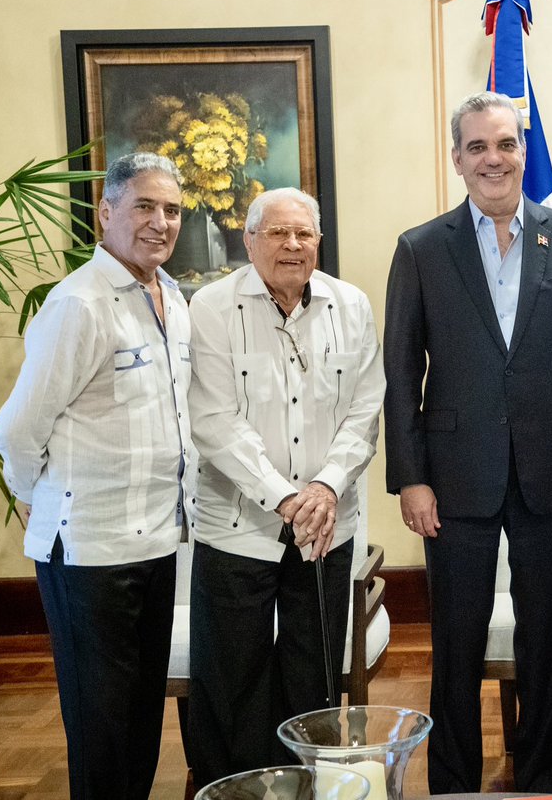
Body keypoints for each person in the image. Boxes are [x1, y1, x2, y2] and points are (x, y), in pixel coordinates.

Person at [383, 90, 552, 793]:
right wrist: (411, 477)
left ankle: (542, 775)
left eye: (507, 144)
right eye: (478, 146)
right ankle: (453, 781)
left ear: (525, 151)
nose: (495, 158)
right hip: (453, 477)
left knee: (545, 637)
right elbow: (401, 372)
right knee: (456, 642)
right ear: (457, 159)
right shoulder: (421, 248)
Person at [0, 152, 190, 800]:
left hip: (157, 543)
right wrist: (32, 496)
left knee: (139, 724)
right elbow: (19, 427)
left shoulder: (172, 296)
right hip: (89, 553)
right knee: (101, 730)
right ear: (106, 213)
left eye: (173, 210)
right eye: (144, 206)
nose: (161, 222)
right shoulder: (77, 303)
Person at [185, 186, 385, 785]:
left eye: (304, 234)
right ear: (248, 241)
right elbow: (215, 421)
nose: (292, 244)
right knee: (232, 676)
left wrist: (323, 489)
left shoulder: (350, 304)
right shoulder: (212, 308)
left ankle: (307, 788)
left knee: (314, 678)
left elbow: (365, 408)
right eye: (276, 232)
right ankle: (236, 789)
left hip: (327, 526)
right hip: (237, 525)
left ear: (318, 243)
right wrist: (287, 497)